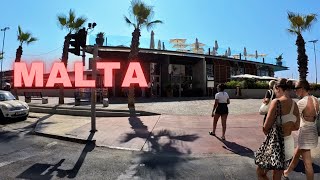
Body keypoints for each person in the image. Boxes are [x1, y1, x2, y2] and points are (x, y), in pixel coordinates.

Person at [256, 78, 300, 180]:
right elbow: (297, 126)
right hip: (289, 143)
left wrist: (275, 129)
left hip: (275, 144)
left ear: (278, 88)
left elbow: (266, 128)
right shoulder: (295, 104)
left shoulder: (276, 102)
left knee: (260, 171)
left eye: (275, 90)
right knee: (277, 175)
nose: (275, 92)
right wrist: (287, 126)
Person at [283, 80, 319, 180]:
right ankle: (286, 172)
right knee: (297, 153)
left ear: (302, 89)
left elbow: (293, 119)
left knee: (307, 164)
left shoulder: (302, 102)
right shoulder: (315, 99)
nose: (295, 91)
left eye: (296, 88)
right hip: (312, 131)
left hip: (305, 133)